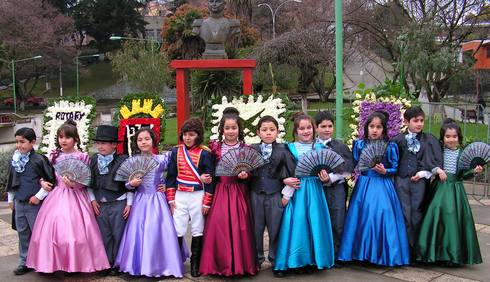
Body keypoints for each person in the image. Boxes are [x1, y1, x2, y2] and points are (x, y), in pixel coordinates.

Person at [26, 120, 110, 273]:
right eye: (60, 137)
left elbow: (87, 180)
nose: (63, 140)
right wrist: (42, 182)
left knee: (78, 232)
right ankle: (53, 263)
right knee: (54, 231)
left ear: (75, 139)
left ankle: (78, 263)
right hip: (56, 195)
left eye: (67, 137)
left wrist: (74, 184)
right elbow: (45, 175)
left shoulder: (82, 156)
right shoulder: (53, 156)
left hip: (77, 196)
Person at [338, 111, 410, 266]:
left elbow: (395, 167)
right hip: (363, 184)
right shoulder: (359, 144)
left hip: (382, 185)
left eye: (378, 127)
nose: (375, 130)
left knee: (381, 215)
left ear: (384, 129)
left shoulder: (390, 146)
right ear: (366, 128)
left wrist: (386, 171)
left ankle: (382, 254)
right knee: (361, 216)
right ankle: (359, 253)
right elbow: (356, 163)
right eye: (371, 126)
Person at [115, 128, 184, 278]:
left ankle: (161, 263)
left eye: (147, 139)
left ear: (153, 141)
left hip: (158, 199)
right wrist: (131, 183)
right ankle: (139, 264)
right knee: (138, 231)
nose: (143, 142)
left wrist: (167, 185)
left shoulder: (162, 159)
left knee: (157, 229)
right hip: (140, 199)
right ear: (136, 143)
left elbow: (176, 173)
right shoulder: (132, 161)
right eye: (140, 140)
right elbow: (126, 185)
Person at [274, 113, 335, 275]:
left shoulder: (321, 148)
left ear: (314, 129)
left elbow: (328, 170)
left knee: (314, 222)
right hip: (298, 189)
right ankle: (293, 261)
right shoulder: (288, 148)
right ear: (296, 131)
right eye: (302, 128)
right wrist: (285, 182)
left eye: (309, 127)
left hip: (315, 189)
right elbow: (281, 171)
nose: (306, 131)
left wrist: (325, 177)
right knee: (297, 223)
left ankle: (313, 260)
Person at [200, 107, 258, 276]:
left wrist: (245, 174)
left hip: (239, 191)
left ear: (239, 129)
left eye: (234, 128)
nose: (231, 131)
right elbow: (209, 170)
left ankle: (242, 265)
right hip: (220, 191)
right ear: (222, 130)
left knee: (241, 228)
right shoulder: (215, 148)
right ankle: (219, 265)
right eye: (227, 128)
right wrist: (206, 178)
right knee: (219, 227)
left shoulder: (245, 148)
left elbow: (251, 172)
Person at [416, 119, 482, 265]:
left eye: (454, 136)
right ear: (443, 138)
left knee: (454, 219)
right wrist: (437, 170)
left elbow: (463, 175)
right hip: (439, 189)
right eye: (448, 136)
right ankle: (433, 253)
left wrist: (474, 171)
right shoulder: (439, 151)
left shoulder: (462, 154)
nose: (451, 139)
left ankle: (452, 254)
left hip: (455, 191)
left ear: (459, 137)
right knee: (436, 215)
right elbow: (431, 164)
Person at [166, 118, 215, 277]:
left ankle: (195, 264)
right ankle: (176, 262)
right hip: (180, 194)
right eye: (185, 134)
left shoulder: (205, 153)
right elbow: (171, 177)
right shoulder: (176, 151)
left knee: (197, 228)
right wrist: (171, 199)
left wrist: (207, 202)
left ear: (198, 136)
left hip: (197, 195)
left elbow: (210, 180)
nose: (187, 137)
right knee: (177, 228)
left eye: (191, 135)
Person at [392, 106, 443, 258]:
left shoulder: (429, 140)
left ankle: (417, 250)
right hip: (401, 180)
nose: (419, 124)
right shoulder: (398, 140)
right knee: (403, 213)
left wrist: (423, 173)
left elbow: (433, 161)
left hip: (419, 182)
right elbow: (393, 161)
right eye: (415, 121)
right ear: (406, 122)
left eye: (421, 120)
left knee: (417, 213)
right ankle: (404, 249)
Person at [249, 115, 295, 277]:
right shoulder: (252, 149)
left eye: (272, 130)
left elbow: (291, 174)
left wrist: (286, 196)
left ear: (277, 131)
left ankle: (276, 260)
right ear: (258, 132)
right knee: (256, 229)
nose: (268, 133)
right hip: (255, 195)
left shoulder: (283, 150)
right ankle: (257, 259)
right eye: (264, 130)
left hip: (275, 194)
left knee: (276, 228)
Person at [6, 128, 55, 275]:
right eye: (17, 142)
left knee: (38, 234)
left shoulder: (39, 160)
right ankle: (25, 261)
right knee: (23, 233)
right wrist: (11, 198)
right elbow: (11, 180)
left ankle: (42, 262)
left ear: (33, 142)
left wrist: (38, 196)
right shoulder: (15, 159)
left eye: (23, 142)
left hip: (35, 204)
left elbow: (50, 180)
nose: (19, 145)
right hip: (19, 203)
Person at [87, 125, 133, 276]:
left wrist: (129, 203)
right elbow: (89, 182)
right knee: (104, 235)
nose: (100, 146)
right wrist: (93, 200)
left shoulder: (123, 160)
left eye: (104, 143)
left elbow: (129, 183)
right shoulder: (93, 160)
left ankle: (118, 263)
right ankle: (106, 262)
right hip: (100, 204)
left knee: (118, 234)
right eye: (98, 143)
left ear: (114, 144)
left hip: (119, 202)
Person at [314, 111, 353, 260]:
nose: (327, 129)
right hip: (317, 189)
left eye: (330, 126)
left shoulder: (340, 146)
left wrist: (330, 178)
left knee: (338, 220)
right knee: (320, 220)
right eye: (323, 126)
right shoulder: (312, 146)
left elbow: (348, 167)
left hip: (337, 189)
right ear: (316, 128)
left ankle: (338, 254)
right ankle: (321, 253)